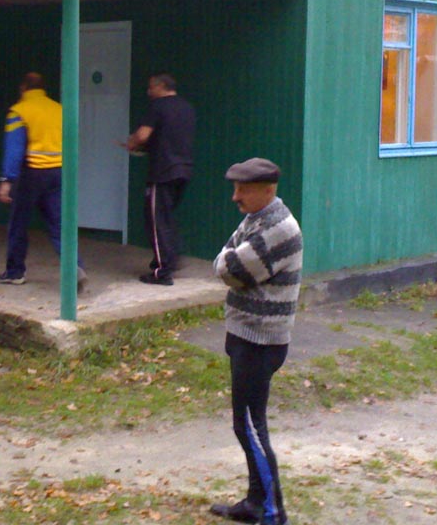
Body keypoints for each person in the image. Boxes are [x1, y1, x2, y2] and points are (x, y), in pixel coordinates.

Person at [210, 157, 302, 525]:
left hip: (260, 341)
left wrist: (229, 261)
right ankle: (254, 502)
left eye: (243, 190)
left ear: (268, 190)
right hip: (244, 334)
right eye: (235, 188)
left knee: (250, 426)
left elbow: (229, 268)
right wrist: (229, 261)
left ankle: (273, 511)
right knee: (244, 424)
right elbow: (227, 258)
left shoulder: (278, 229)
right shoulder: (256, 220)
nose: (235, 196)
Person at [0, 72, 86, 290]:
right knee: (59, 224)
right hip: (58, 172)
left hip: (31, 173)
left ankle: (15, 272)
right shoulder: (59, 109)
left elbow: (15, 149)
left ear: (23, 88)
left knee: (19, 224)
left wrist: (7, 180)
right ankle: (75, 267)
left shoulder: (19, 111)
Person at [123, 72, 196, 286]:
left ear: (161, 86)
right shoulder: (187, 108)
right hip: (184, 169)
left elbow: (143, 135)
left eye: (151, 87)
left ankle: (161, 272)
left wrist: (132, 142)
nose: (148, 91)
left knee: (156, 220)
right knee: (167, 216)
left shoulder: (158, 107)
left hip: (162, 171)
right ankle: (171, 258)